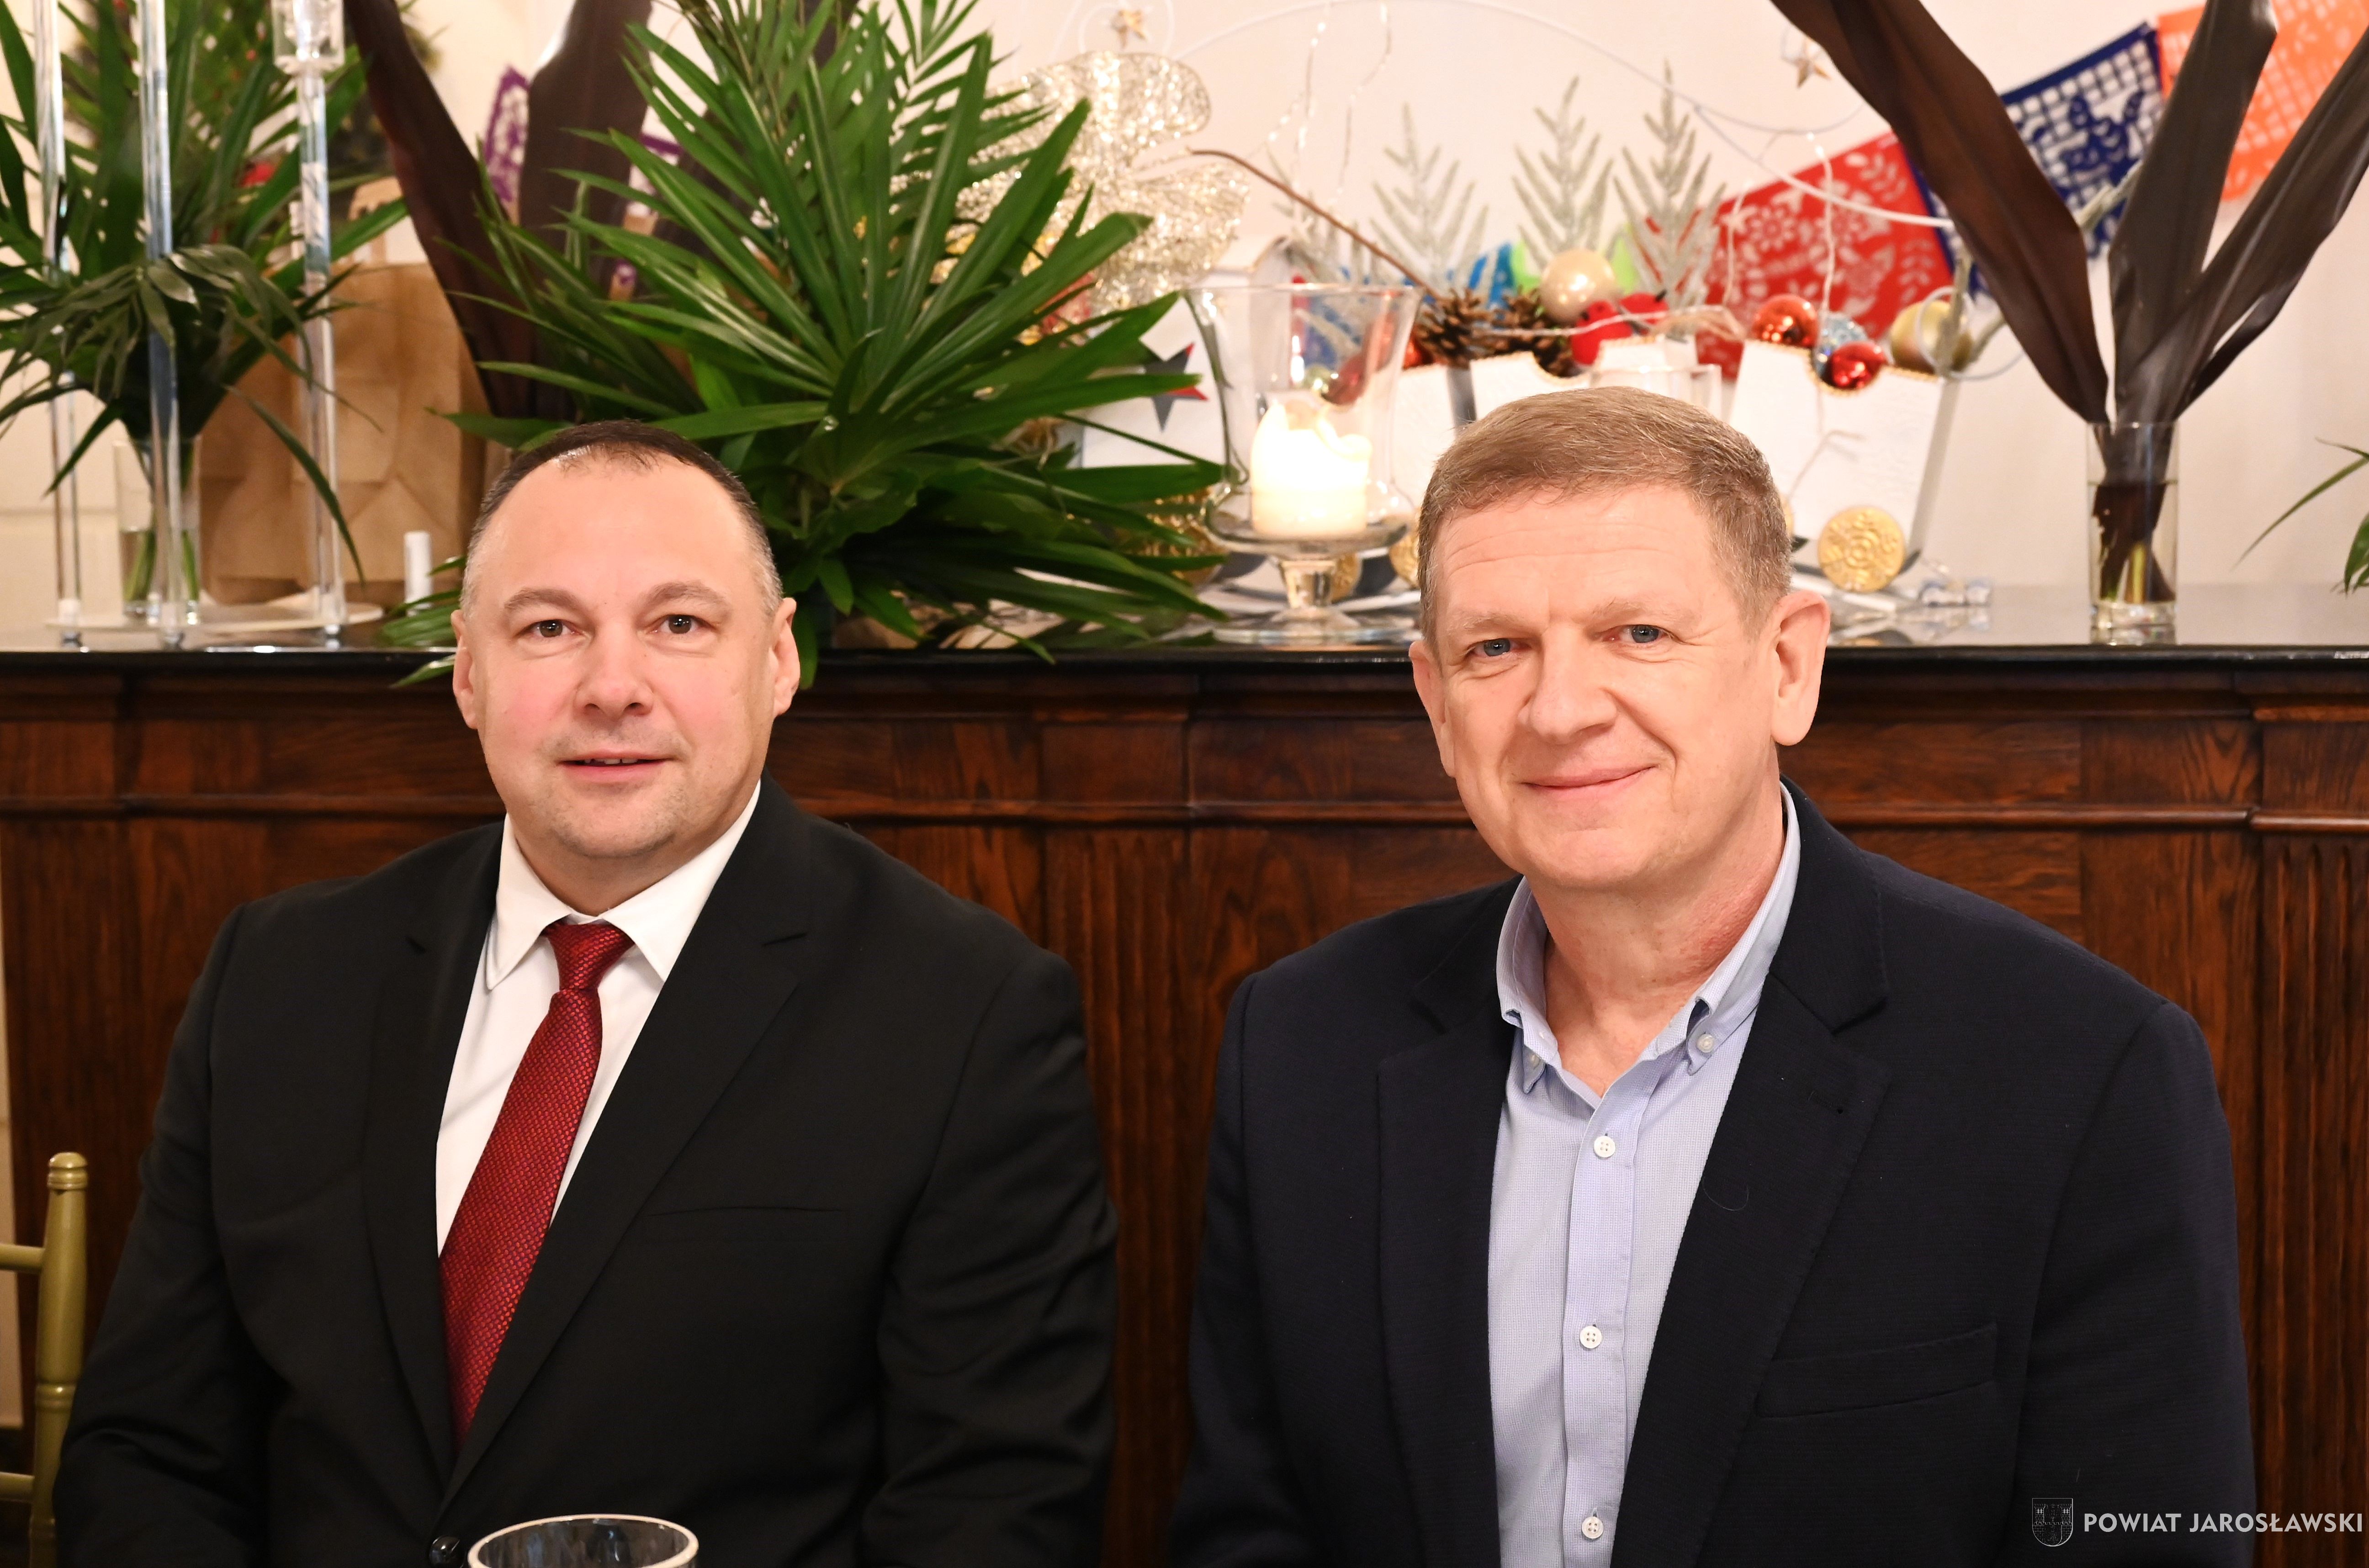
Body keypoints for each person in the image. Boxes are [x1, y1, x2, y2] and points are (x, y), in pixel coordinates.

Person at [1171, 387, 2252, 1567]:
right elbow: (1249, 1535)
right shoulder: (1302, 1046)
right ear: (1436, 706)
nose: (1560, 711)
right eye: (1497, 649)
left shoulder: (2078, 1073)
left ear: (1787, 666)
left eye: (1639, 634)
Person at [59, 422, 1116, 1568]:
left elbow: (994, 1507)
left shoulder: (964, 1014)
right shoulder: (280, 977)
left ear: (776, 661)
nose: (613, 689)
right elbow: (149, 1451)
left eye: (679, 625)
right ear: (470, 673)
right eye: (550, 628)